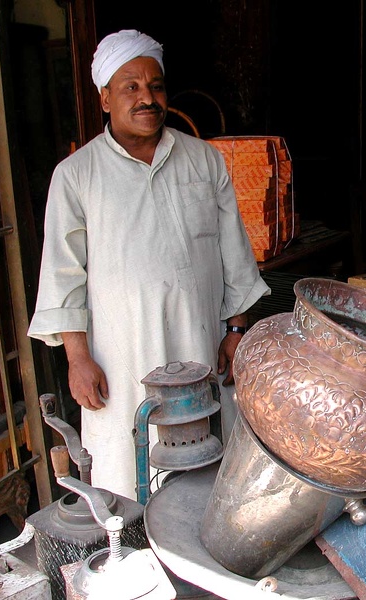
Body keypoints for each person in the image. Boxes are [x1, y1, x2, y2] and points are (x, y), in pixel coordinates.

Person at [28, 29, 270, 500]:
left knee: (207, 471)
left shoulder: (204, 160)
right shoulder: (76, 175)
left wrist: (237, 330)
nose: (147, 98)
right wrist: (77, 358)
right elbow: (63, 275)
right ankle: (136, 552)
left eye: (155, 86)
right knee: (127, 468)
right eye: (130, 87)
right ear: (105, 98)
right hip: (121, 359)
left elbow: (233, 252)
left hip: (198, 344)